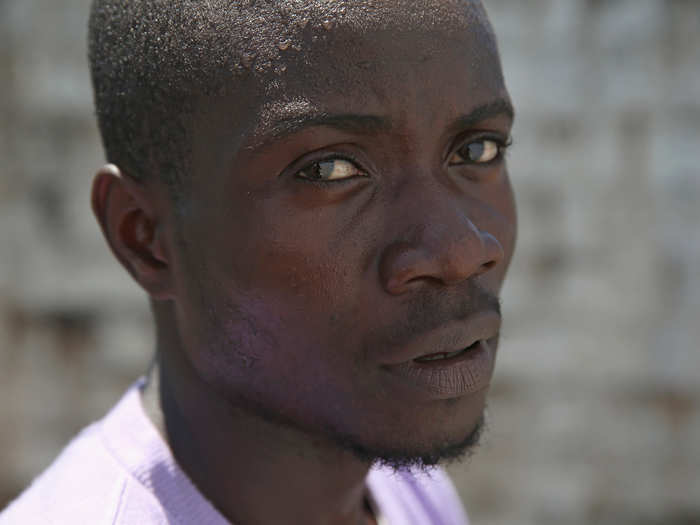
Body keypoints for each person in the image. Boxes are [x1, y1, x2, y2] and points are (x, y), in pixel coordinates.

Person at [0, 0, 516, 523]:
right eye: (330, 170)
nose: (462, 251)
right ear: (145, 236)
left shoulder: (409, 496)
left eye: (478, 151)